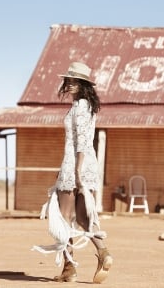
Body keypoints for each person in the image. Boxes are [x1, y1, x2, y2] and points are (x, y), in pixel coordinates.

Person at [42, 62, 112, 283]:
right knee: (82, 217)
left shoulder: (80, 107)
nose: (71, 85)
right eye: (69, 81)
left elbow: (81, 142)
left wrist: (76, 170)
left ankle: (69, 269)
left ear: (84, 85)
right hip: (83, 164)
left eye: (76, 82)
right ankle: (104, 253)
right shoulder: (86, 106)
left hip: (77, 165)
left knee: (63, 219)